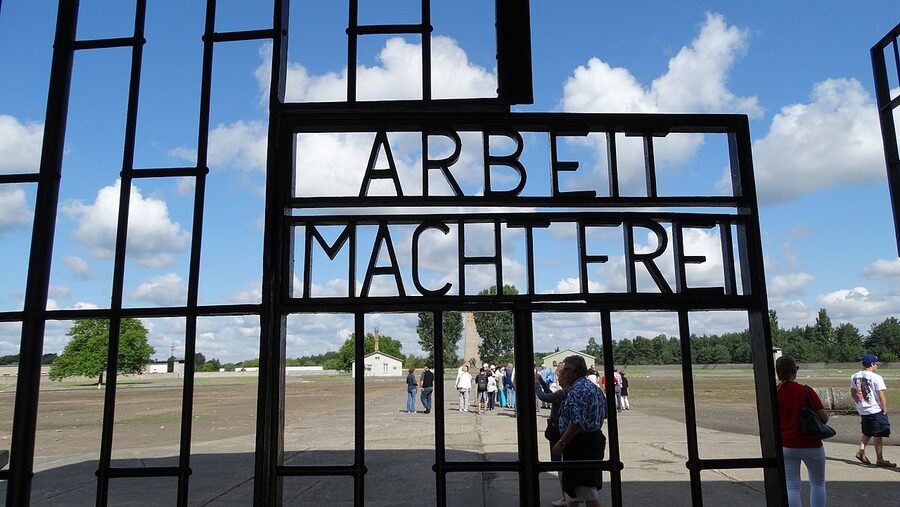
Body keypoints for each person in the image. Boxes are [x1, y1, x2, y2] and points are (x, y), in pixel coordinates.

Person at [552, 355, 607, 507]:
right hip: (590, 440)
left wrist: (562, 442)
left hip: (581, 444)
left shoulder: (579, 390)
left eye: (566, 370)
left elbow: (577, 422)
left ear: (575, 371)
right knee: (574, 493)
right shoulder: (592, 388)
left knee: (586, 493)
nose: (563, 373)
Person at [776, 356, 827, 507]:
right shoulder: (805, 391)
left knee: (791, 486)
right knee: (818, 483)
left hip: (786, 445)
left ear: (778, 372)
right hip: (811, 444)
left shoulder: (775, 392)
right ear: (794, 372)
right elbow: (824, 417)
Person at [851, 353, 895, 467]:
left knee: (867, 431)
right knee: (878, 433)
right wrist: (884, 408)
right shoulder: (876, 377)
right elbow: (881, 394)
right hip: (875, 409)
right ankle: (879, 459)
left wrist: (860, 403)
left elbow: (853, 393)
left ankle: (861, 450)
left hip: (863, 409)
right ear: (872, 364)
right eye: (876, 364)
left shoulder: (855, 376)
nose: (876, 366)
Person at [536, 364, 570, 507]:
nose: (558, 378)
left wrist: (536, 384)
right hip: (560, 431)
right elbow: (550, 393)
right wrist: (542, 382)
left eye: (560, 376)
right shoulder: (565, 392)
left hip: (557, 432)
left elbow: (544, 396)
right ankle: (568, 497)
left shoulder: (563, 393)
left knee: (559, 466)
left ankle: (565, 497)